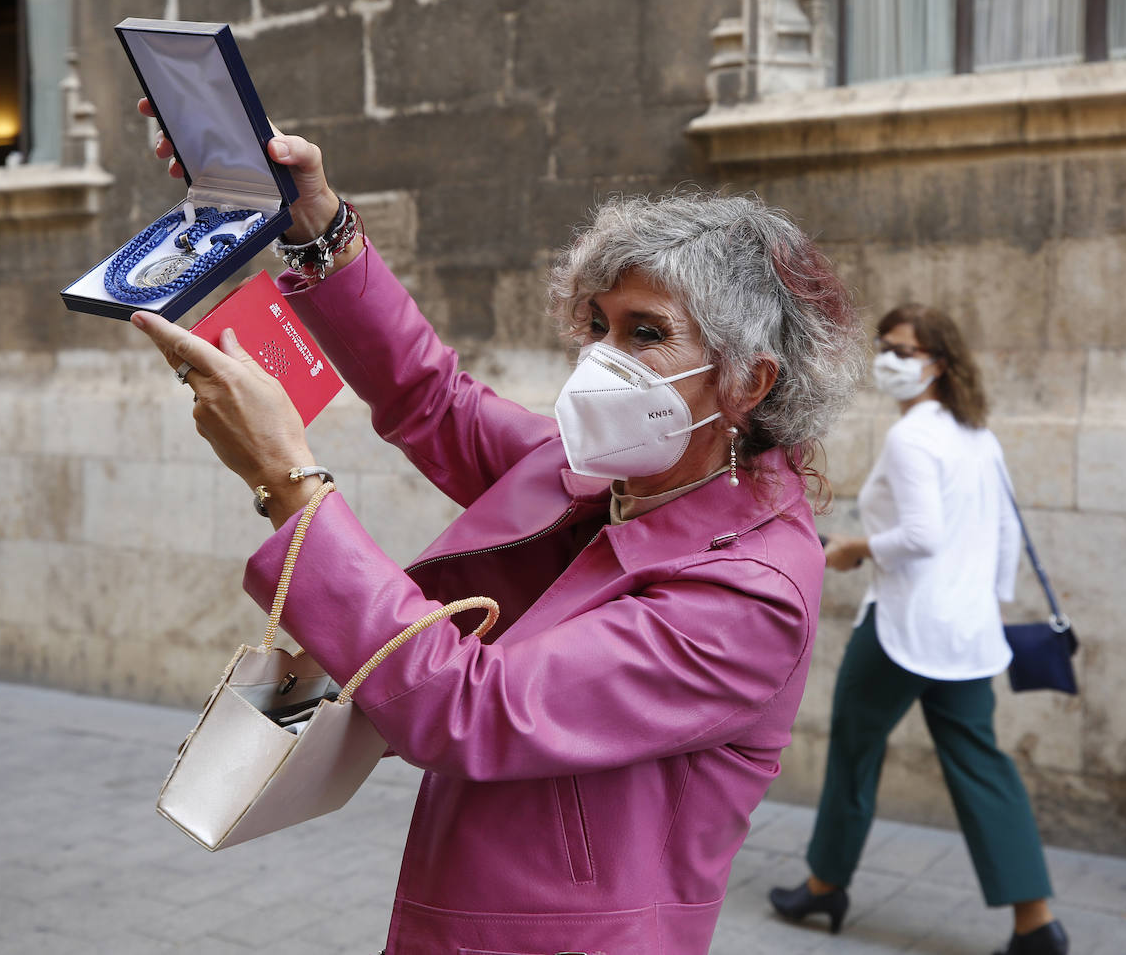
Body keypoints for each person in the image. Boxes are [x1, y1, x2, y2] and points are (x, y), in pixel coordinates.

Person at [131, 100, 863, 953]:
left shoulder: (752, 592)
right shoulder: (614, 476)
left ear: (747, 383)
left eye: (646, 334)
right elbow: (430, 399)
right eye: (598, 326)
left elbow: (478, 708)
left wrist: (289, 484)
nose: (601, 359)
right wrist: (317, 228)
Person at [768, 304, 1068, 955]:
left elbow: (922, 537)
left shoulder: (912, 437)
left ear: (939, 363)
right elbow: (1007, 533)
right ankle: (1036, 922)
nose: (888, 360)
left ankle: (825, 887)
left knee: (853, 749)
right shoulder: (976, 434)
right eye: (885, 347)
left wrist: (852, 549)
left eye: (903, 351)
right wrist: (986, 603)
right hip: (964, 635)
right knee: (982, 764)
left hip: (904, 628)